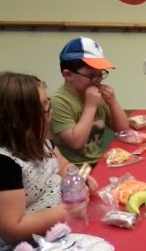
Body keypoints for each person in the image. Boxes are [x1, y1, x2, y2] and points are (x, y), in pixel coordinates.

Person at [0, 71, 95, 251]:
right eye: (45, 108)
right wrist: (69, 210)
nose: (50, 113)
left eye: (48, 104)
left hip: (52, 235)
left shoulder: (37, 141)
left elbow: (63, 166)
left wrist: (77, 178)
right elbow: (13, 230)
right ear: (20, 118)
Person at [50, 37, 129, 167]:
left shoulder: (95, 95)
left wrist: (113, 102)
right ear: (68, 75)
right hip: (73, 169)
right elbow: (76, 143)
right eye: (92, 76)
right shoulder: (59, 101)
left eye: (101, 74)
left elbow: (124, 131)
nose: (98, 81)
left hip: (98, 162)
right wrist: (90, 106)